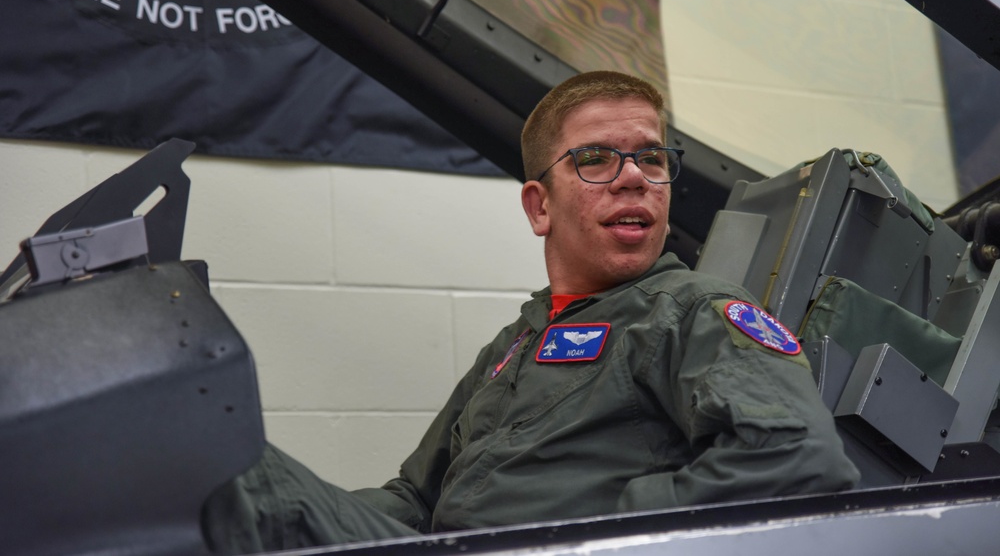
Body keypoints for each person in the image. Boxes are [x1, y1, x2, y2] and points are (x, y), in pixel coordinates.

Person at [202, 71, 860, 553]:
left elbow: (797, 453)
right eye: (596, 158)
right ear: (539, 206)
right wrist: (318, 521)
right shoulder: (516, 342)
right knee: (221, 467)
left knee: (226, 471)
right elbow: (414, 497)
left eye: (652, 158)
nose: (633, 176)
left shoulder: (692, 309)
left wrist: (599, 529)